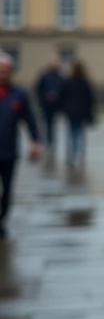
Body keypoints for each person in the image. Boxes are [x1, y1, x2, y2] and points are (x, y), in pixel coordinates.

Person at [0, 52, 41, 239]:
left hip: (8, 151)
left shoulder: (18, 94)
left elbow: (30, 119)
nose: (3, 73)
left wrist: (35, 141)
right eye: (1, 70)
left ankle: (2, 221)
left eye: (7, 70)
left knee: (7, 189)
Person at [60, 60, 96, 167]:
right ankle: (79, 154)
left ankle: (71, 154)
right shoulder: (84, 83)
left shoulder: (68, 82)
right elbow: (90, 99)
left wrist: (65, 109)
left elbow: (62, 97)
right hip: (81, 112)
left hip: (71, 112)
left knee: (71, 133)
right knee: (80, 134)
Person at [34, 57, 63, 151]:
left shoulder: (60, 77)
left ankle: (51, 141)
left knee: (52, 124)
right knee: (46, 123)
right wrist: (45, 96)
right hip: (46, 104)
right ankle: (46, 140)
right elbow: (39, 89)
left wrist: (57, 95)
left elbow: (63, 90)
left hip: (56, 105)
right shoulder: (44, 76)